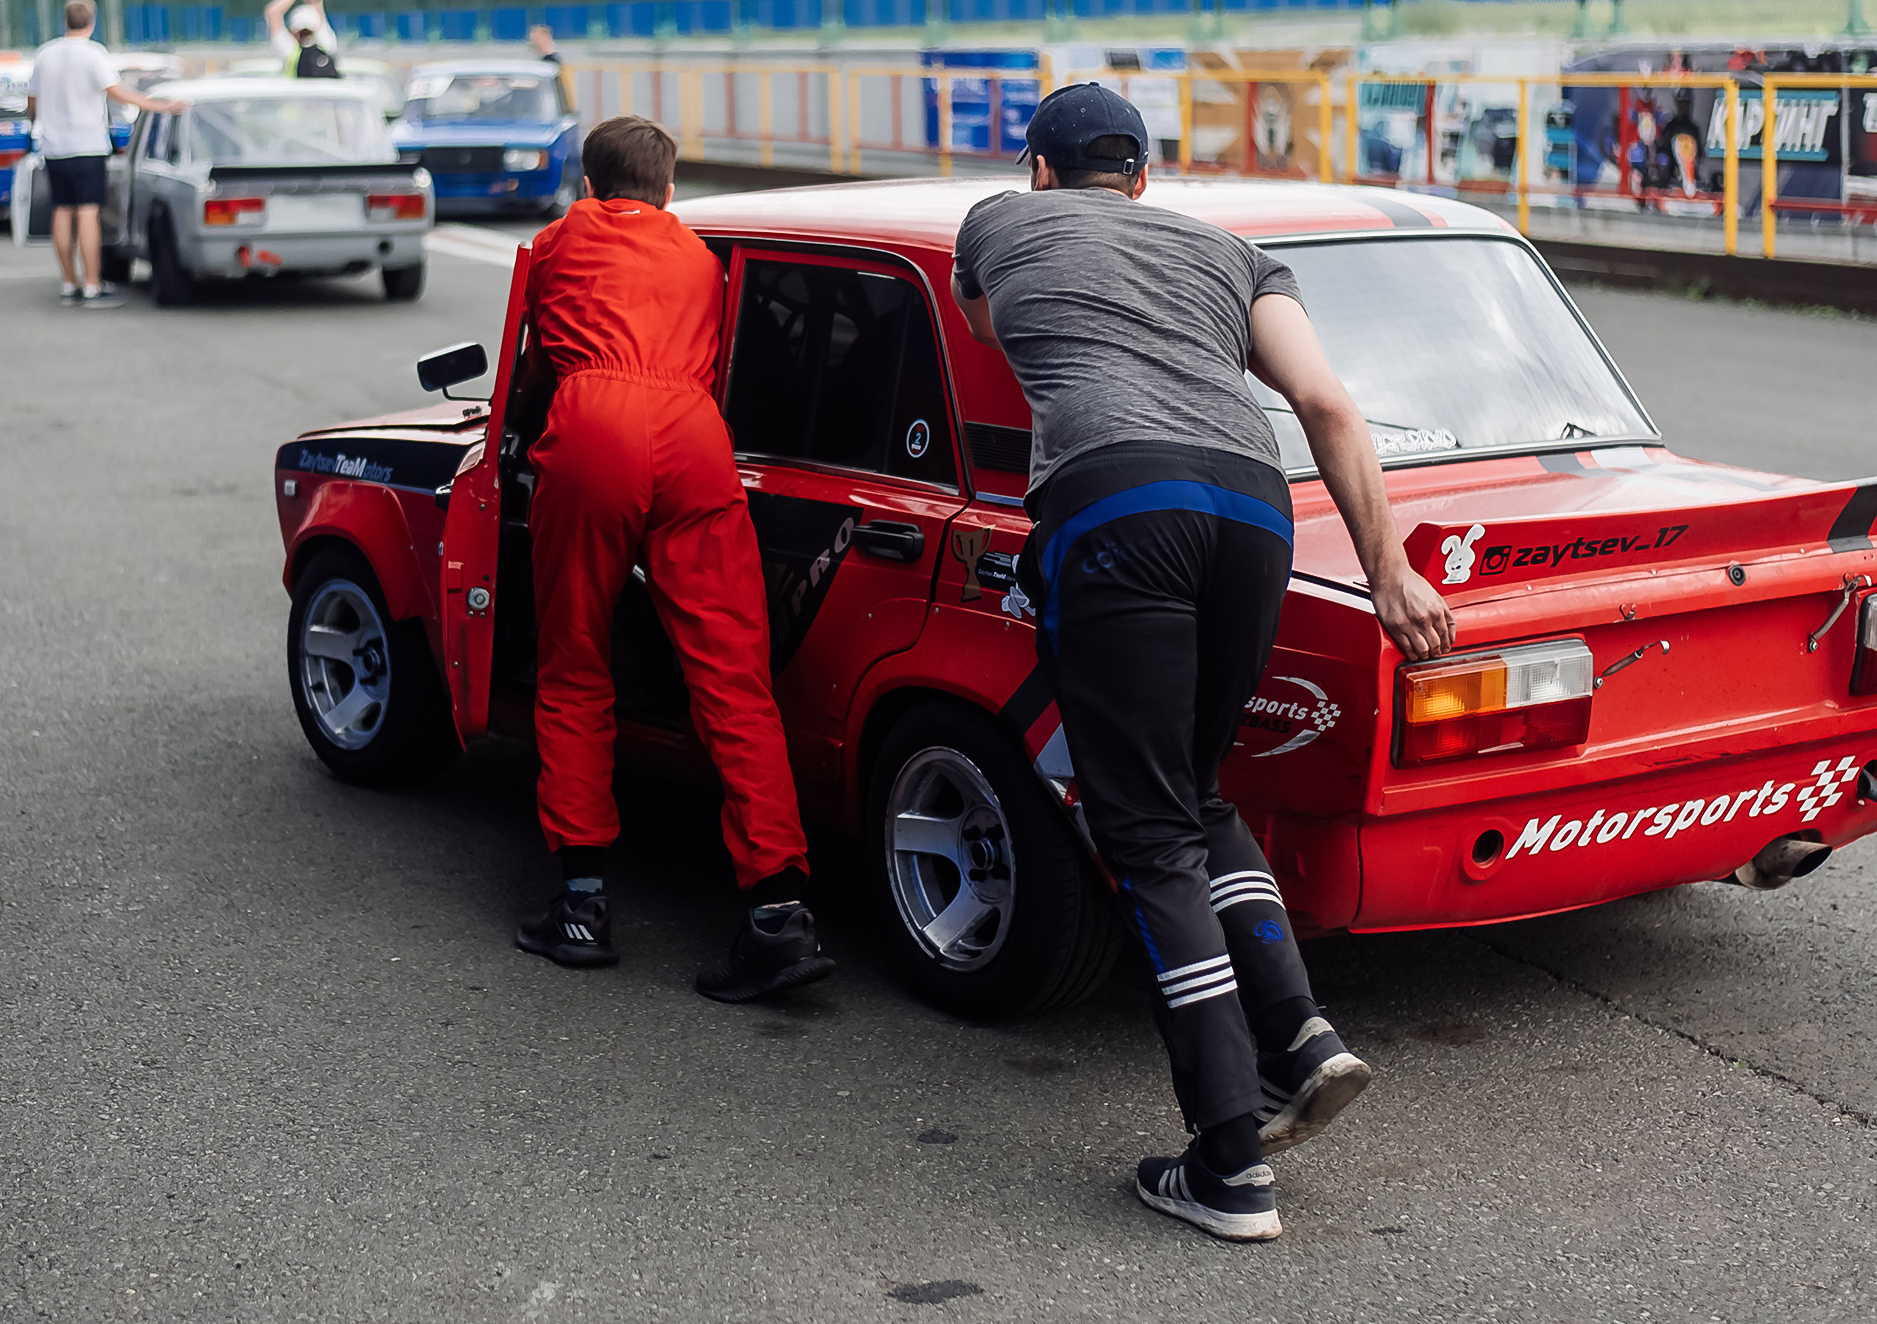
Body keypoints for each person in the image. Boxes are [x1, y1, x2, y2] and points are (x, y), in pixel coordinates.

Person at [949, 83, 1452, 1243]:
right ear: (1142, 177)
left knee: (1141, 833)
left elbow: (985, 325)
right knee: (1195, 793)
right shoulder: (1232, 250)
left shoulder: (996, 222)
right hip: (1252, 510)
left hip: (1119, 503)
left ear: (1038, 169)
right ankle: (1302, 1037)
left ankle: (1229, 1161)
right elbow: (1323, 398)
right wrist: (1389, 574)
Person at [513, 115, 834, 1004]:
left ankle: (581, 907)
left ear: (588, 187)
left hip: (593, 426)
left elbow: (535, 360)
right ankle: (779, 913)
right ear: (668, 191)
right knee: (734, 674)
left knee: (575, 663)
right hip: (695, 438)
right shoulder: (702, 259)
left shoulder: (558, 239)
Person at [28, 0, 189, 307]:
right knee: (87, 211)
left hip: (54, 145)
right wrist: (160, 106)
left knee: (62, 211)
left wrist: (40, 122)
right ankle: (91, 284)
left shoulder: (45, 54)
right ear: (92, 21)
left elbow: (32, 102)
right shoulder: (93, 54)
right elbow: (116, 93)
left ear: (65, 20)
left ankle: (68, 281)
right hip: (87, 143)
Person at [263, 0, 341, 79]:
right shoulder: (327, 44)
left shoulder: (290, 51)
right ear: (315, 27)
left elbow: (272, 13)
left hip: (297, 96)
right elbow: (317, 5)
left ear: (293, 31)